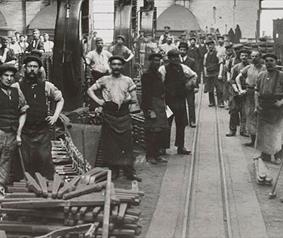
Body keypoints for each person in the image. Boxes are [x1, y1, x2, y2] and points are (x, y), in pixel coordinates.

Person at [87, 56, 141, 181]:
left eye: (119, 64)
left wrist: (130, 101)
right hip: (109, 114)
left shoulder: (128, 80)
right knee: (111, 144)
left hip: (123, 114)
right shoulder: (104, 79)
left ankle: (129, 172)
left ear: (122, 66)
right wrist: (99, 102)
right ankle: (114, 171)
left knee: (126, 143)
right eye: (114, 64)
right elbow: (90, 90)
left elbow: (134, 98)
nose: (116, 67)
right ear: (110, 66)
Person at [13, 55, 64, 179]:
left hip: (42, 130)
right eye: (29, 66)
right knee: (25, 159)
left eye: (35, 67)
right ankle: (26, 185)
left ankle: (47, 186)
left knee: (44, 158)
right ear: (25, 69)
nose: (32, 69)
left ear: (39, 69)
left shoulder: (47, 86)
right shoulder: (16, 86)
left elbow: (60, 100)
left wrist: (55, 116)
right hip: (25, 130)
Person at [159, 49, 197, 155]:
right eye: (173, 57)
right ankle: (163, 147)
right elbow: (159, 83)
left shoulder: (183, 68)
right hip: (168, 101)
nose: (176, 59)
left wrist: (189, 84)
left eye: (177, 57)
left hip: (180, 100)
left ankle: (181, 146)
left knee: (181, 124)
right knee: (166, 124)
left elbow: (194, 75)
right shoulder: (163, 69)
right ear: (169, 58)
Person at [0, 64, 28, 196]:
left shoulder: (16, 91)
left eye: (11, 76)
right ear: (0, 77)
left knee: (6, 161)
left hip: (11, 133)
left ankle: (1, 189)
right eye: (6, 75)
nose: (9, 78)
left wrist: (18, 133)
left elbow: (23, 111)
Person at [255, 54, 283, 164]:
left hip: (277, 108)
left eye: (271, 60)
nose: (269, 63)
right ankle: (265, 155)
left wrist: (281, 102)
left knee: (277, 133)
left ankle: (278, 156)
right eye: (266, 61)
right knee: (263, 133)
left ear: (276, 62)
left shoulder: (281, 75)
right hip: (263, 106)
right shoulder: (261, 75)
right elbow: (257, 91)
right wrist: (257, 104)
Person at [141, 53, 169, 164]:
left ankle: (157, 154)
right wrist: (149, 109)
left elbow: (162, 90)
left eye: (158, 61)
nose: (157, 63)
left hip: (160, 104)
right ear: (150, 62)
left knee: (160, 131)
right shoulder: (146, 75)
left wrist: (164, 103)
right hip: (151, 104)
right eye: (154, 61)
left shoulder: (158, 74)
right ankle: (150, 155)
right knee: (151, 131)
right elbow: (146, 94)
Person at [235, 51, 266, 146]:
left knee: (260, 115)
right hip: (249, 92)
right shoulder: (249, 67)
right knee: (250, 114)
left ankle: (261, 141)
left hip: (261, 94)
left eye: (256, 56)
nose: (254, 58)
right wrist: (240, 89)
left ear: (260, 57)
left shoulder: (264, 68)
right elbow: (237, 78)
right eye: (252, 56)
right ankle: (253, 140)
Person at [226, 49, 250, 137]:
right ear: (239, 57)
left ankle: (243, 130)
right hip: (235, 92)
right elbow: (232, 80)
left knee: (244, 112)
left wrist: (246, 90)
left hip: (246, 92)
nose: (244, 57)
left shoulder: (251, 67)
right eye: (242, 56)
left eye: (246, 56)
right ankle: (232, 130)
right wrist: (237, 90)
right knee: (233, 111)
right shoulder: (235, 67)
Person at [179, 42, 198, 128]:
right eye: (181, 49)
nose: (182, 51)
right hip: (180, 86)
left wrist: (196, 86)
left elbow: (195, 74)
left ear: (187, 51)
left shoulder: (191, 61)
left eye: (184, 50)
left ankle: (192, 121)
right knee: (181, 104)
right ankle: (183, 120)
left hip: (190, 86)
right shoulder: (176, 61)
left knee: (191, 104)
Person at [203, 40, 223, 107]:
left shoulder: (218, 54)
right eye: (209, 45)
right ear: (207, 47)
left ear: (214, 46)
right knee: (210, 88)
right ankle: (211, 102)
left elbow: (221, 64)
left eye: (211, 45)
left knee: (219, 88)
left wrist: (220, 74)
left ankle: (220, 102)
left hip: (216, 72)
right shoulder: (206, 55)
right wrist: (205, 74)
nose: (210, 46)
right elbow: (205, 65)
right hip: (209, 73)